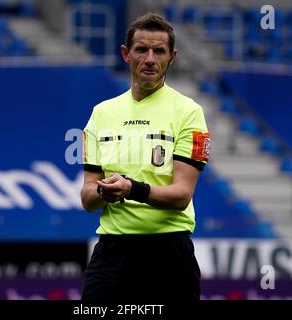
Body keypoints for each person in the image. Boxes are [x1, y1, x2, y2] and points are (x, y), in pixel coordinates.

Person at [80, 13, 211, 302]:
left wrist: (131, 189)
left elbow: (182, 195)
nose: (150, 59)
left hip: (169, 254)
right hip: (112, 252)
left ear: (172, 56)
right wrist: (104, 191)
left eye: (159, 51)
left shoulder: (189, 113)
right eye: (141, 49)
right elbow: (88, 198)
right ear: (126, 54)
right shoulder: (101, 114)